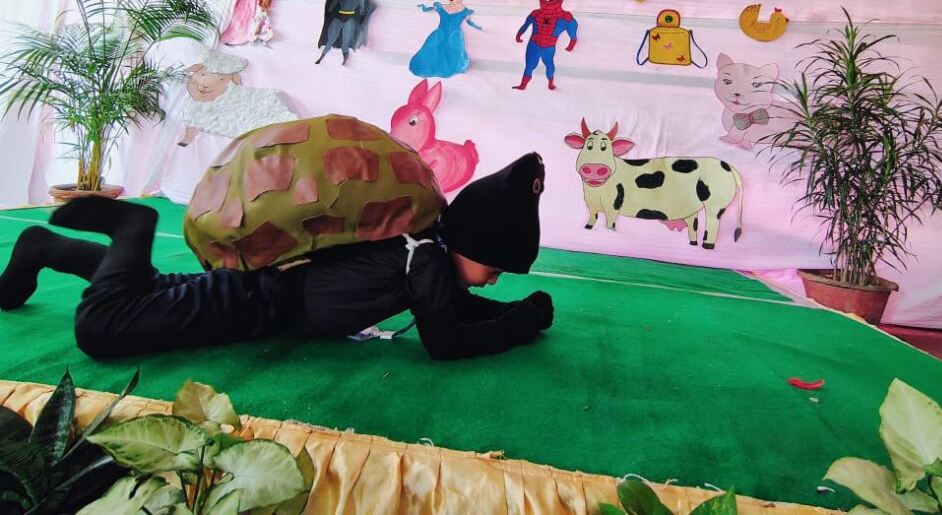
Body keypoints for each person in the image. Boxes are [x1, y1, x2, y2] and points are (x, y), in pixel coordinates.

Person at [0, 154, 554, 361]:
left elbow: (454, 308)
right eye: (494, 268)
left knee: (143, 290)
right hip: (251, 306)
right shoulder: (428, 261)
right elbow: (446, 340)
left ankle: (43, 249)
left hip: (254, 291)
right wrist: (520, 324)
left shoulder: (423, 247)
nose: (492, 280)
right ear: (470, 246)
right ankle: (132, 226)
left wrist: (519, 309)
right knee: (101, 327)